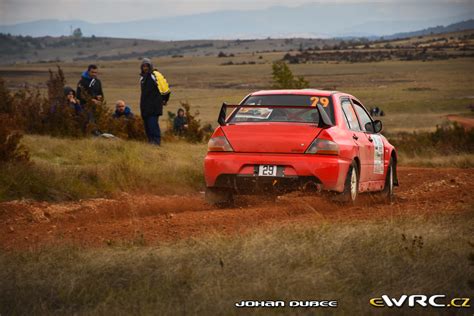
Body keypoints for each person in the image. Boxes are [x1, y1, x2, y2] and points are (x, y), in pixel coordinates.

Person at [139, 58, 171, 145]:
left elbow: (165, 89)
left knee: (153, 125)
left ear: (150, 66)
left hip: (154, 105)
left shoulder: (155, 75)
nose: (145, 68)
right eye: (143, 66)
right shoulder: (142, 78)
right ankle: (150, 142)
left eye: (147, 66)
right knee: (147, 126)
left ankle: (156, 143)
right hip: (145, 106)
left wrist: (165, 99)